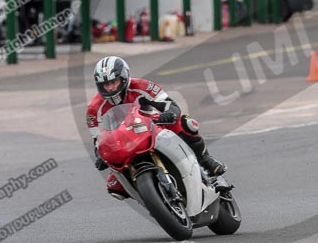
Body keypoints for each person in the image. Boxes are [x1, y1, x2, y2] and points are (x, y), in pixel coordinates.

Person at [86, 56, 226, 200]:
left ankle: (206, 160)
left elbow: (169, 104)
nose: (109, 88)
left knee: (186, 123)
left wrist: (169, 114)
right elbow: (98, 139)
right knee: (114, 186)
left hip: (152, 126)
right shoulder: (93, 108)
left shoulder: (142, 86)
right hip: (124, 140)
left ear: (124, 77)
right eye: (105, 84)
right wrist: (99, 156)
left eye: (113, 82)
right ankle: (149, 197)